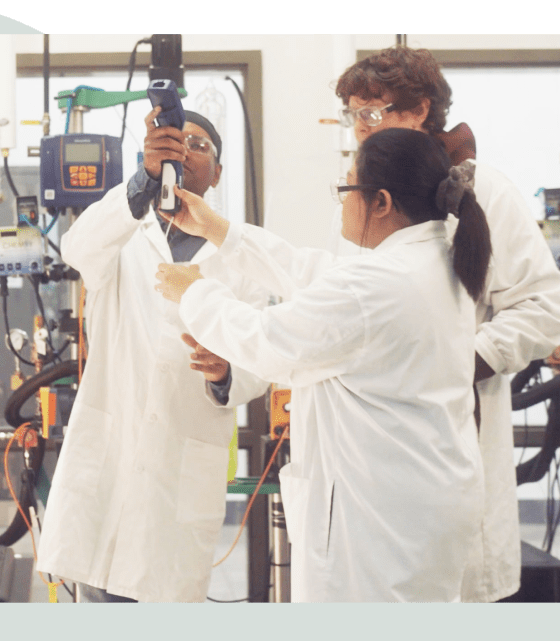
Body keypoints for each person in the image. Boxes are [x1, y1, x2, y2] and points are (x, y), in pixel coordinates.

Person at [155, 127, 491, 602]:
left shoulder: (379, 284)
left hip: (376, 527)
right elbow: (309, 272)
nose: (341, 202)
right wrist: (219, 231)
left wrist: (194, 291)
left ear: (381, 203)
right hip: (421, 507)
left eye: (346, 189)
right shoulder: (433, 263)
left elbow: (268, 341)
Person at [331, 46, 560, 602]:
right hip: (376, 441)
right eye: (352, 115)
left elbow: (542, 308)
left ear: (420, 110)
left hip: (451, 433)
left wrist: (450, 364)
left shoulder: (481, 188)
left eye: (372, 112)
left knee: (451, 595)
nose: (359, 129)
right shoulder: (364, 190)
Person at [35, 108, 270, 603]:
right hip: (111, 464)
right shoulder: (124, 236)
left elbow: (261, 356)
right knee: (100, 596)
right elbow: (77, 247)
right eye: (177, 143)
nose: (186, 151)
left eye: (200, 145)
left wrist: (228, 373)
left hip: (182, 466)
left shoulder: (241, 259)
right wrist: (140, 180)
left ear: (218, 173)